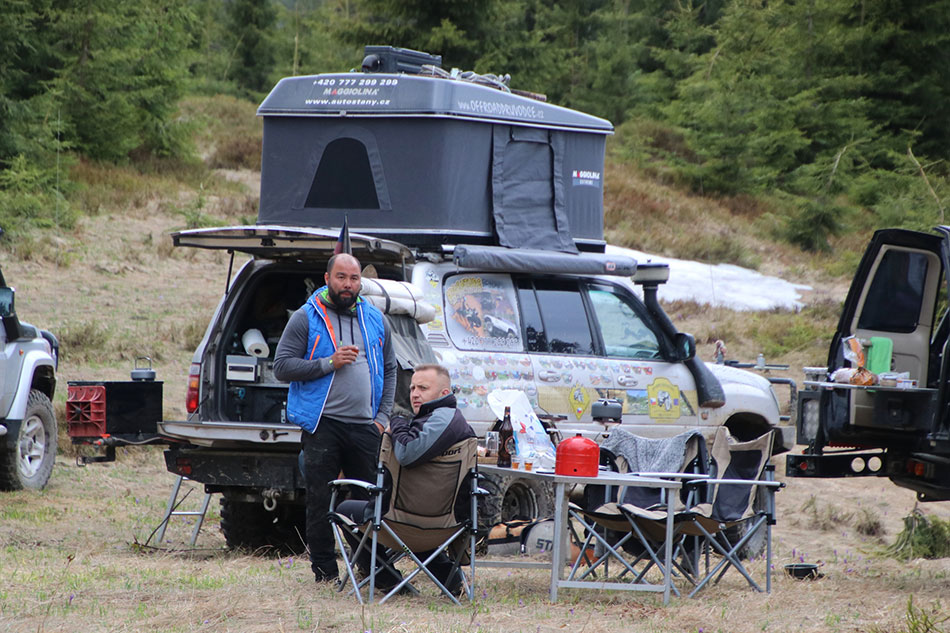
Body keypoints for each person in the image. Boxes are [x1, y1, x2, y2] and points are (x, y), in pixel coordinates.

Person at [274, 253, 396, 584]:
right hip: (323, 424)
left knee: (371, 500)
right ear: (327, 279)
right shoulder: (306, 317)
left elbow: (390, 369)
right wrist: (329, 362)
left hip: (365, 426)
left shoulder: (375, 318)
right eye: (341, 277)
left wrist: (382, 417)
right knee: (320, 501)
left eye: (354, 279)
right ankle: (325, 573)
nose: (348, 284)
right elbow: (282, 366)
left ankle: (374, 570)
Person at [339, 364, 476, 593]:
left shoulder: (443, 419)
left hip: (406, 522)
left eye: (423, 388)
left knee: (344, 509)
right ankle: (451, 581)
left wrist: (398, 423)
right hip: (440, 522)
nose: (415, 394)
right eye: (412, 388)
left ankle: (386, 579)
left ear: (444, 393)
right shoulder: (441, 419)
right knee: (413, 515)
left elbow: (408, 453)